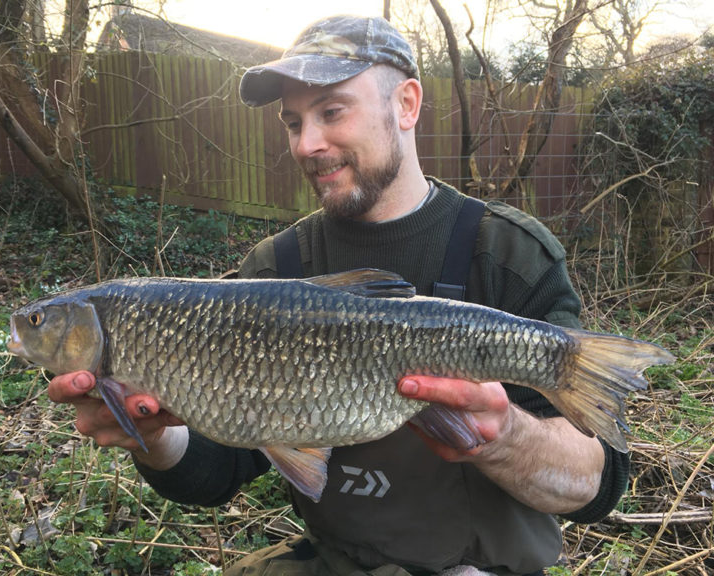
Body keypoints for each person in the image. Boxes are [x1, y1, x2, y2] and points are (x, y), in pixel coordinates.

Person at [48, 15, 629, 576]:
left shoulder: (507, 253)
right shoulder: (273, 269)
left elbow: (595, 484)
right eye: (294, 122)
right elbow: (218, 470)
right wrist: (152, 436)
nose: (307, 143)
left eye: (331, 111)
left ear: (405, 104)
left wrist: (503, 436)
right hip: (338, 562)